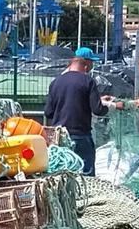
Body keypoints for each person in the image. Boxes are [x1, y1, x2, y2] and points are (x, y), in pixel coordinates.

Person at [43, 46, 112, 175]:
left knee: (62, 173)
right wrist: (110, 106)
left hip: (60, 136)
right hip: (80, 135)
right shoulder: (87, 81)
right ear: (86, 64)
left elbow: (48, 112)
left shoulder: (56, 82)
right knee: (86, 175)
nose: (92, 66)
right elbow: (97, 109)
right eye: (92, 63)